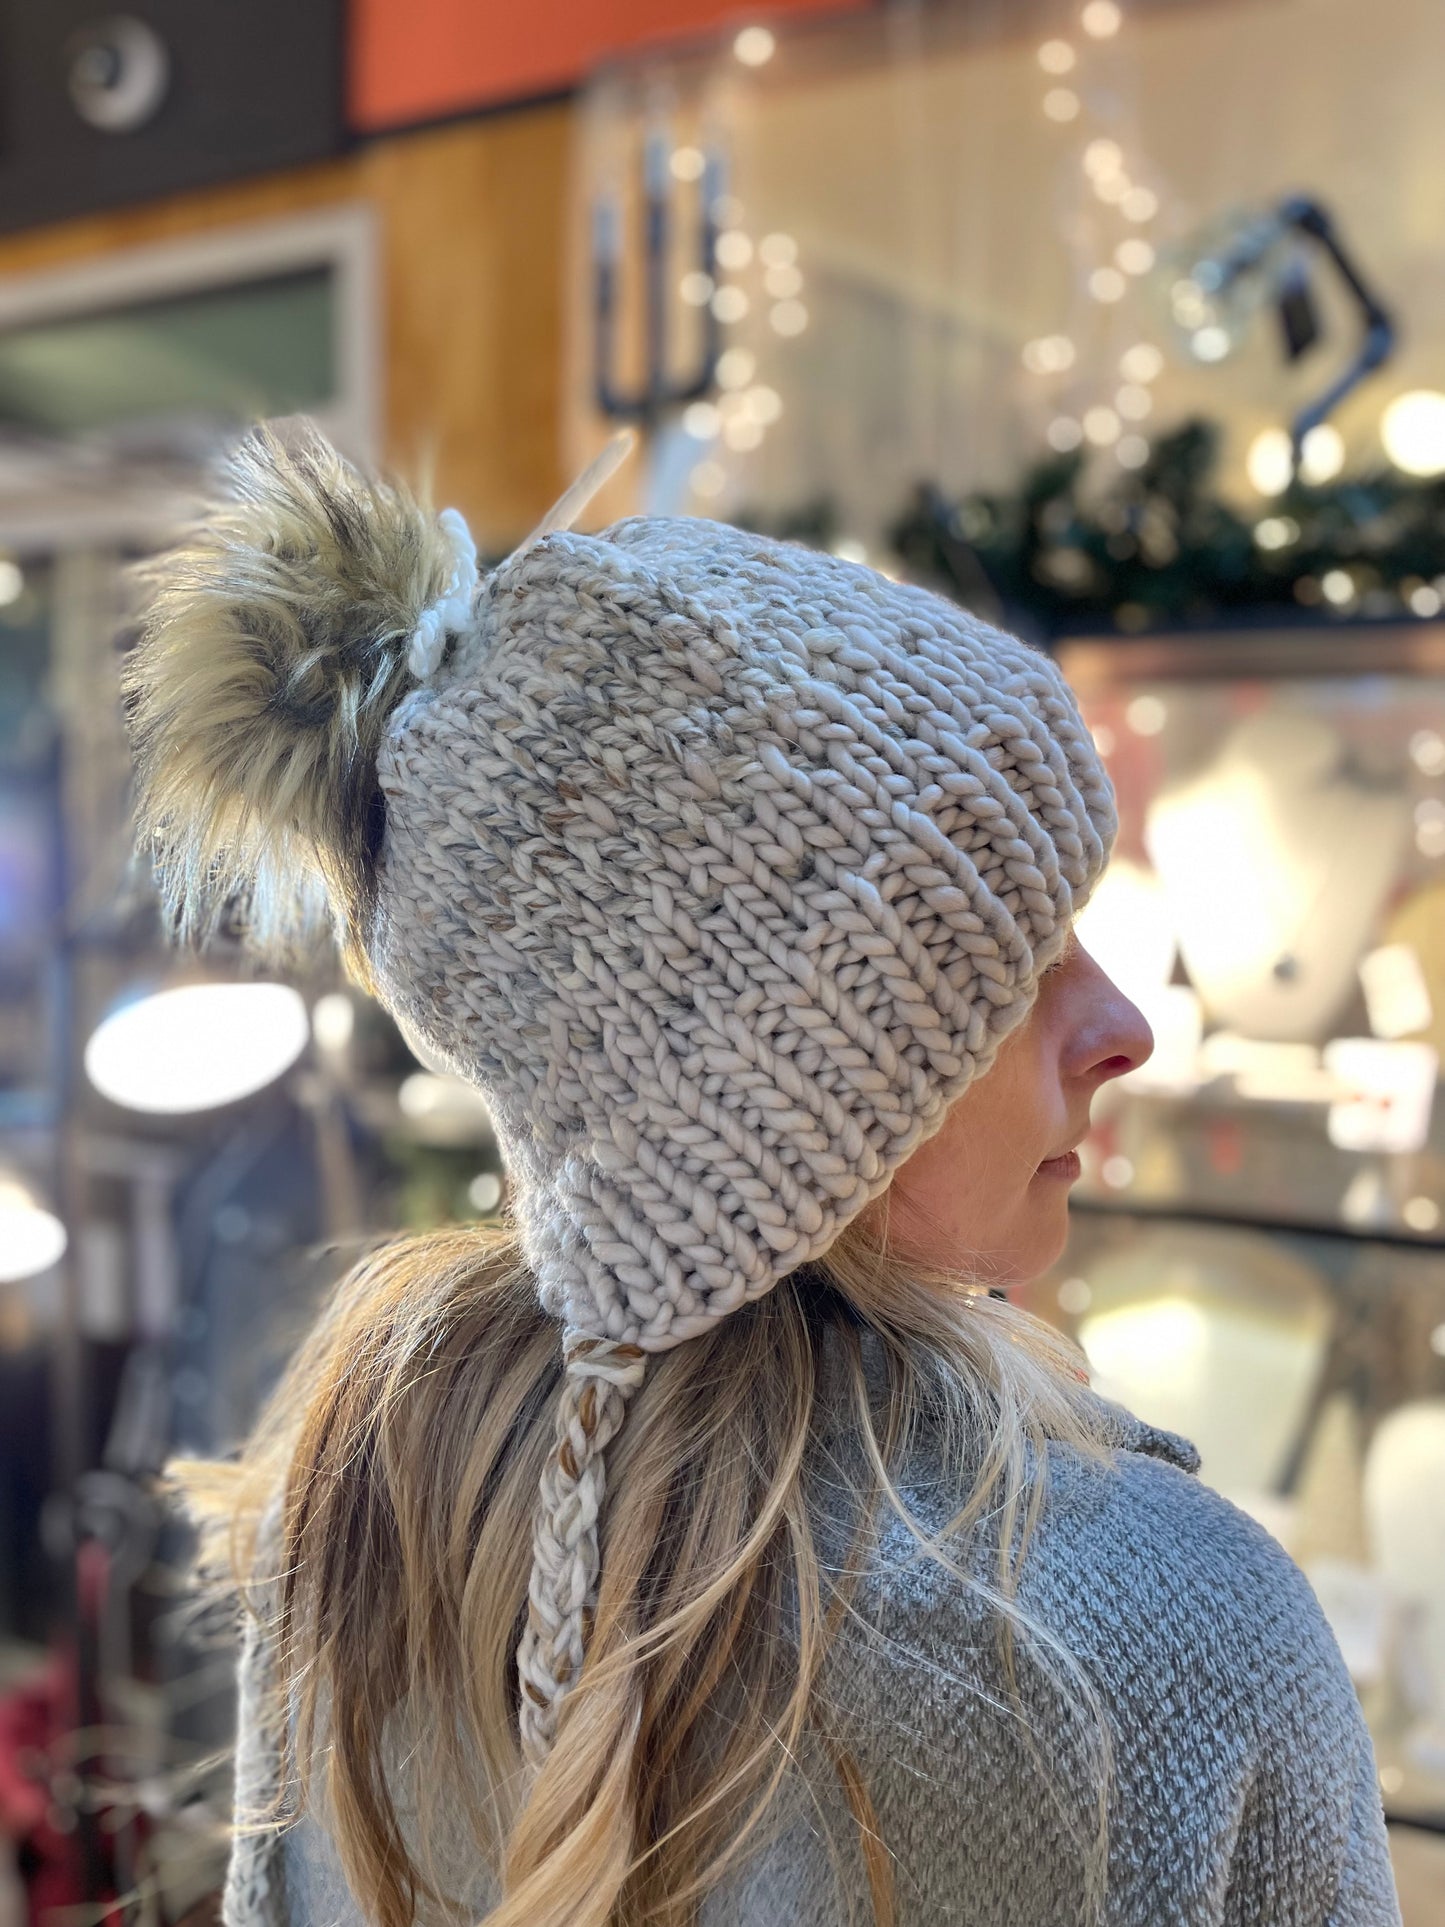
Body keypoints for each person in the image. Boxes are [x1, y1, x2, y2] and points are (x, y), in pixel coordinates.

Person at [125, 419, 1401, 1927]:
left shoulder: (352, 1530)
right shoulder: (1175, 1636)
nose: (1119, 1027)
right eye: (1001, 966)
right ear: (773, 1100)